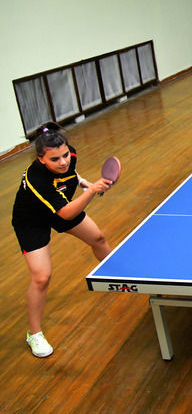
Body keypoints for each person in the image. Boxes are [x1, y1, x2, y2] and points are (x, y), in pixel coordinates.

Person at [12, 123, 113, 357]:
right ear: (41, 159)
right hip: (32, 221)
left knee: (98, 238)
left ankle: (115, 278)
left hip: (60, 204)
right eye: (55, 159)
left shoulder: (69, 156)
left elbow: (71, 173)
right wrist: (91, 191)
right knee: (41, 278)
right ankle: (34, 334)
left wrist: (83, 183)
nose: (63, 162)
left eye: (65, 155)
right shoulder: (36, 178)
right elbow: (66, 214)